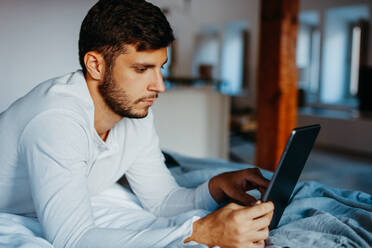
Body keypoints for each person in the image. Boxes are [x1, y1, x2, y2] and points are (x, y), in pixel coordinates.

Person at [0, 0, 274, 247]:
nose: (160, 86)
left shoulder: (134, 114)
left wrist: (216, 186)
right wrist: (197, 233)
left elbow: (162, 201)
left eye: (160, 67)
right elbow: (73, 239)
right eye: (142, 69)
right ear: (96, 65)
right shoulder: (56, 120)